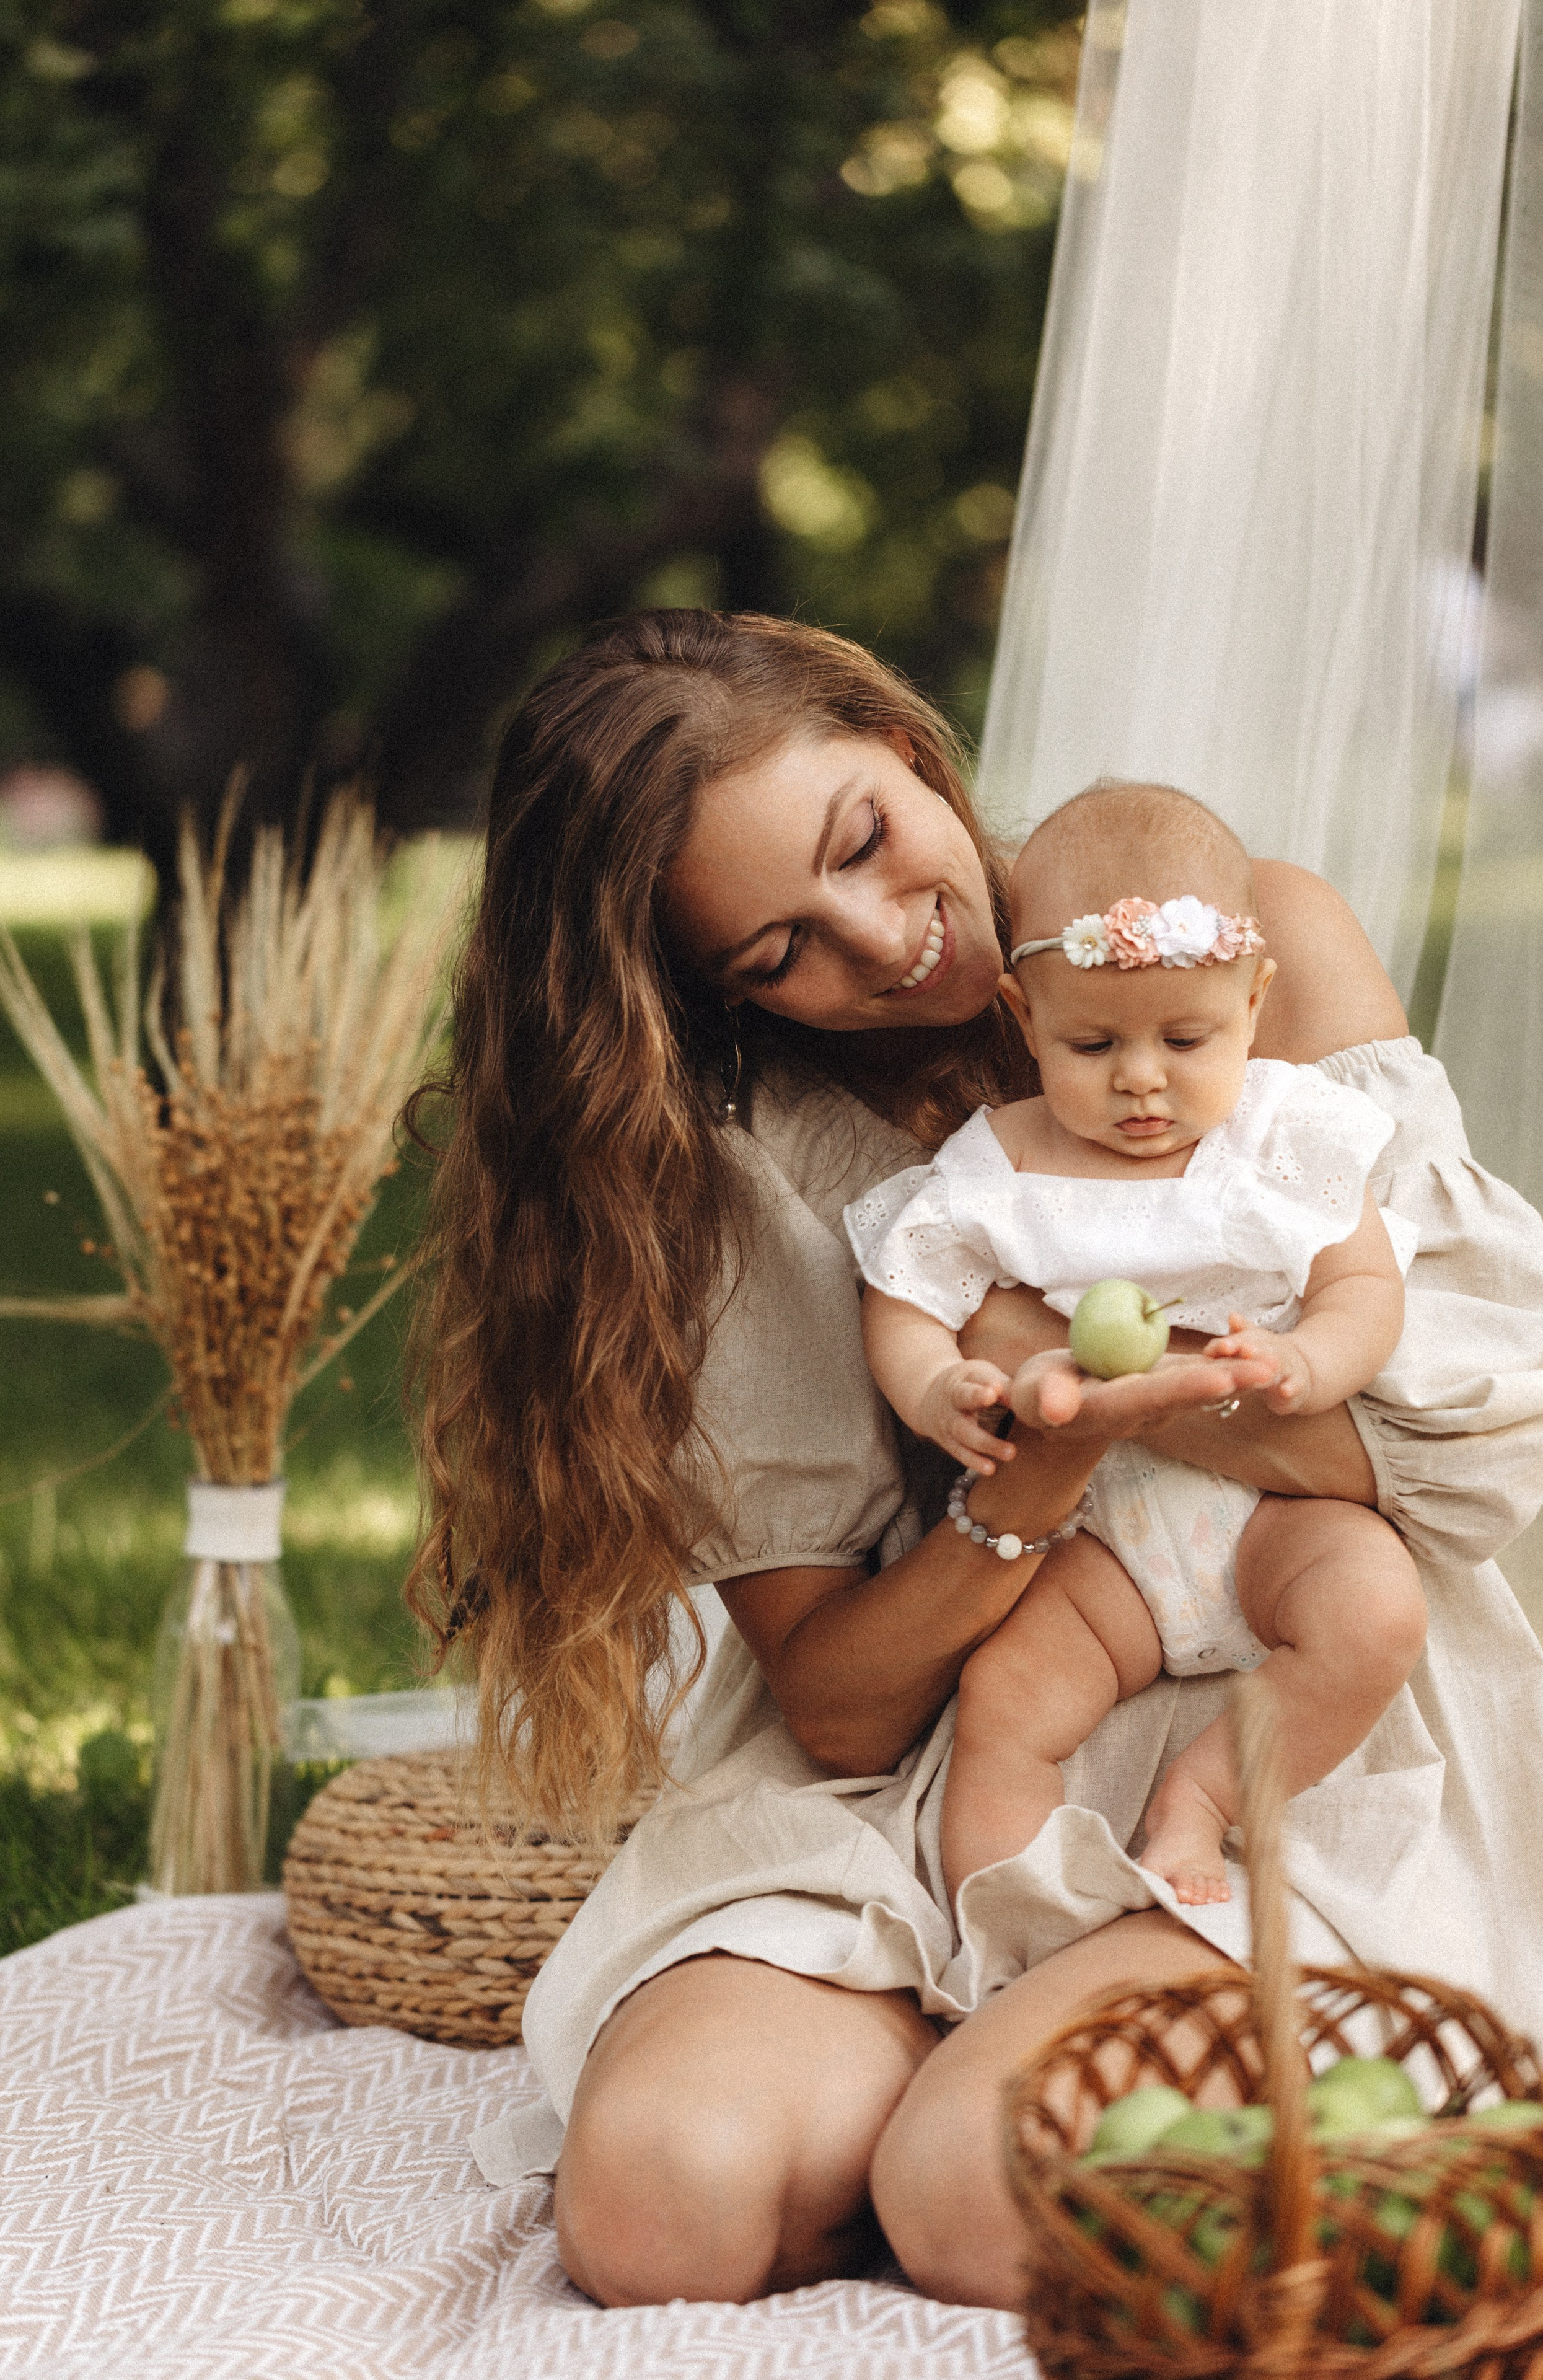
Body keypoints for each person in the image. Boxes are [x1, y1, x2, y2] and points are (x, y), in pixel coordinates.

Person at [407, 609, 1543, 2315]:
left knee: (981, 2194)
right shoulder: (752, 1173)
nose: (882, 942)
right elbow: (846, 1707)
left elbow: (1463, 1454)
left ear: (905, 742)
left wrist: (1110, 1378)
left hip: (1290, 1704)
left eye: (865, 840)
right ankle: (985, 2029)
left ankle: (1109, 2067)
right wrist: (1019, 1493)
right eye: (777, 951)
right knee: (660, 2211)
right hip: (943, 1768)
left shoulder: (1253, 945)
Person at [846, 782, 1427, 1907]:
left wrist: (1312, 1365)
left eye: (1186, 1037)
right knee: (1008, 1701)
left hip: (1276, 1519)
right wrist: (936, 1387)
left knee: (1373, 1618)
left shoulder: (1284, 1133)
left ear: (1256, 1002)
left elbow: (1364, 1283)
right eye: (1093, 1041)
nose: (1142, 1077)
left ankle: (1200, 1805)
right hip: (1099, 1536)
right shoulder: (1000, 1164)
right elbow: (905, 1291)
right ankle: (1003, 1915)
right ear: (1024, 1019)